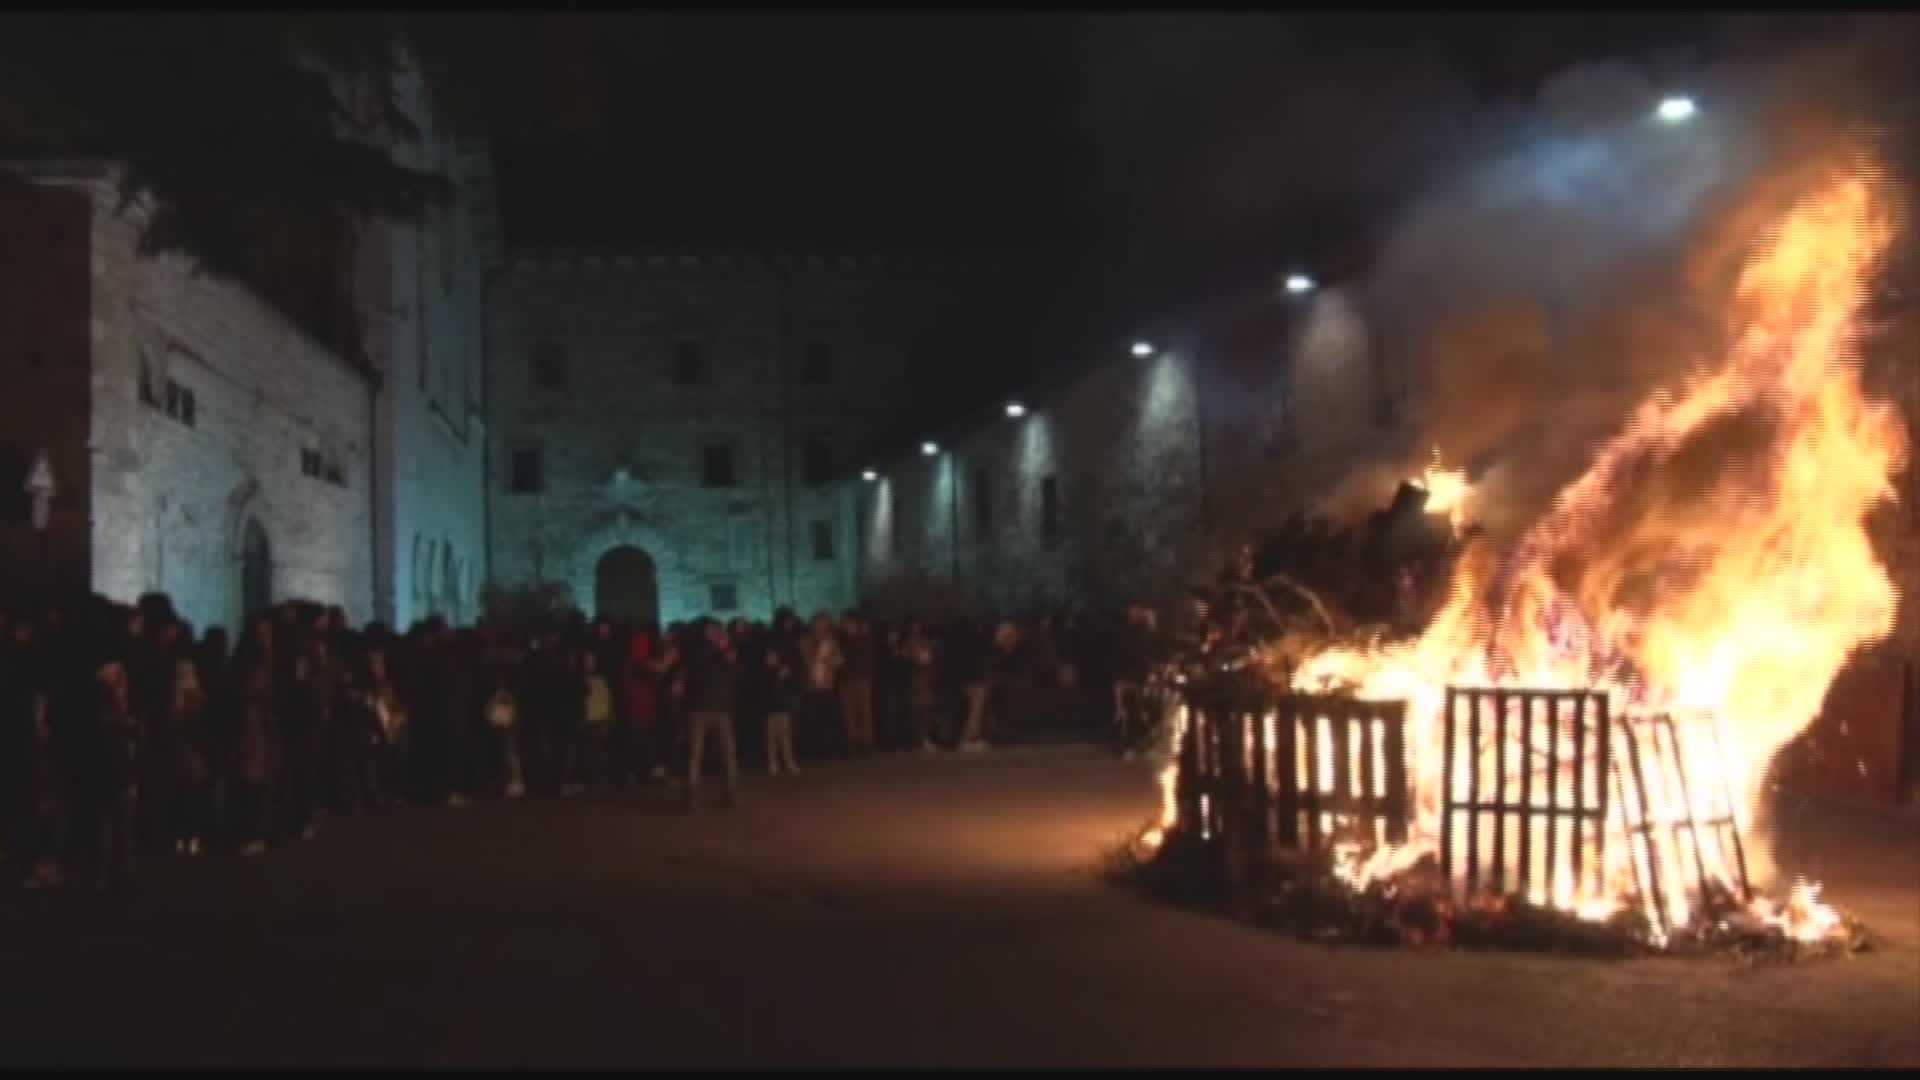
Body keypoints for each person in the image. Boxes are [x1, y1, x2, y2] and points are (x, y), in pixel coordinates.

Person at [682, 618, 740, 810]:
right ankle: (693, 795)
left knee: (728, 753)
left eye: (718, 630)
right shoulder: (697, 649)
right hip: (700, 708)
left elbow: (735, 674)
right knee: (696, 753)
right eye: (713, 630)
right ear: (706, 632)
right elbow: (695, 671)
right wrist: (720, 650)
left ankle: (731, 792)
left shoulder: (726, 650)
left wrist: (730, 659)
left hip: (722, 708)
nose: (717, 633)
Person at [165, 655, 211, 856]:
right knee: (189, 798)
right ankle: (189, 839)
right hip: (188, 754)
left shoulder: (181, 695)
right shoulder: (194, 695)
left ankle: (183, 838)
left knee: (184, 798)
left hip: (182, 754)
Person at [763, 616, 802, 776]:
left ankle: (789, 761)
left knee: (785, 735)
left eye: (774, 655)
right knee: (771, 736)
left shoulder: (783, 669)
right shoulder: (764, 672)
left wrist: (785, 676)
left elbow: (790, 684)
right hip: (770, 706)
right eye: (769, 656)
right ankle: (773, 762)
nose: (772, 658)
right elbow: (765, 688)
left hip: (782, 705)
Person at [799, 612, 842, 756]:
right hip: (810, 685)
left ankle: (828, 748)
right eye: (819, 623)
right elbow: (805, 659)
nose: (821, 626)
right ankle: (813, 749)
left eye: (824, 623)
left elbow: (839, 660)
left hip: (827, 684)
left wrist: (829, 661)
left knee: (827, 718)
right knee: (812, 719)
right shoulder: (805, 640)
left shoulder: (831, 641)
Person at [839, 612, 878, 755]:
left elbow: (870, 659)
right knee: (849, 712)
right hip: (846, 680)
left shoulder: (863, 639)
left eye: (846, 622)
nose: (844, 625)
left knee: (864, 711)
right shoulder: (841, 640)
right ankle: (854, 742)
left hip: (861, 679)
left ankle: (866, 742)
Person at [580, 647, 615, 788]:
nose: (589, 663)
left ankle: (596, 781)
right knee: (588, 754)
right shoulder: (580, 679)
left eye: (592, 660)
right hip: (586, 721)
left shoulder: (600, 679)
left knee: (598, 753)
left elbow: (607, 700)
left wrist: (609, 719)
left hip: (599, 721)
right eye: (587, 660)